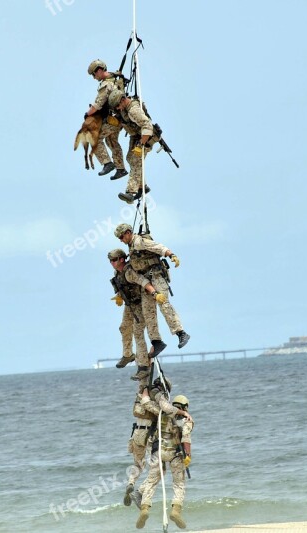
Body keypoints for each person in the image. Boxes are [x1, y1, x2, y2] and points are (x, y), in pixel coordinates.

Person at [114, 223, 190, 352]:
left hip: (156, 276)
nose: (121, 240)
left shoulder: (140, 242)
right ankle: (156, 341)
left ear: (128, 232)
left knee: (164, 305)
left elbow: (157, 247)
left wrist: (171, 255)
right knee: (148, 312)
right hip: (146, 281)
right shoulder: (132, 246)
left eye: (121, 237)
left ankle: (181, 333)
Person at [126, 377, 192, 510]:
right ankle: (173, 507)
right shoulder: (176, 414)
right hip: (170, 451)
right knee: (175, 481)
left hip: (145, 441)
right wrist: (188, 456)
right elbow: (186, 438)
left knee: (149, 470)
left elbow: (145, 403)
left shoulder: (159, 411)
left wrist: (145, 391)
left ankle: (136, 489)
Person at [107, 89, 156, 204]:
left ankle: (131, 192)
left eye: (118, 106)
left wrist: (141, 144)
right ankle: (142, 186)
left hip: (146, 137)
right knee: (130, 158)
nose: (118, 109)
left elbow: (148, 126)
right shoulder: (125, 108)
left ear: (123, 100)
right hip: (136, 136)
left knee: (135, 161)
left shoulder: (134, 111)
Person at [109, 248, 150, 381]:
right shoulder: (117, 273)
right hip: (130, 304)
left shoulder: (129, 272)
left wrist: (155, 293)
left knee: (138, 333)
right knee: (124, 328)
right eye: (110, 261)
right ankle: (128, 355)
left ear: (121, 259)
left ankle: (143, 366)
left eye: (114, 260)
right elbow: (122, 287)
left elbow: (142, 281)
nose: (112, 263)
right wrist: (119, 297)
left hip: (140, 304)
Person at [85, 60, 128, 180]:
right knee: (112, 142)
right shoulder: (116, 78)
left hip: (112, 119)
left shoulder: (106, 84)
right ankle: (121, 169)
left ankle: (107, 163)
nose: (94, 78)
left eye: (94, 74)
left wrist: (87, 114)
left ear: (99, 70)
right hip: (120, 118)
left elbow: (98, 104)